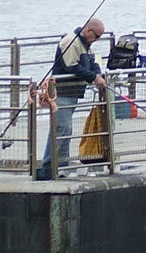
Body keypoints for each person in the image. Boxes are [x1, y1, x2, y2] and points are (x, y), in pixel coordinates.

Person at [36, 17, 107, 180]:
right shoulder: (70, 42)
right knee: (62, 128)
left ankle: (62, 165)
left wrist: (98, 74)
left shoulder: (86, 45)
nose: (96, 40)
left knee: (64, 129)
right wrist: (93, 78)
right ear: (88, 30)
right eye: (96, 36)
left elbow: (92, 64)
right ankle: (48, 167)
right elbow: (71, 66)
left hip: (73, 93)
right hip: (61, 92)